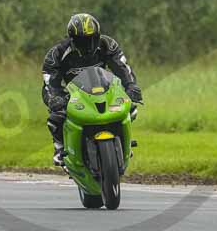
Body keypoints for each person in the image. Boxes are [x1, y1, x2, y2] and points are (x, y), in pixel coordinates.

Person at [41, 13, 142, 166]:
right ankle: (60, 148)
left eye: (91, 39)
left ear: (98, 35)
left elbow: (123, 68)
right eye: (82, 41)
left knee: (131, 108)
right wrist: (54, 97)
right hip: (71, 92)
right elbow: (50, 81)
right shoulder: (57, 53)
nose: (87, 44)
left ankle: (123, 143)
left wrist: (131, 85)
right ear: (72, 39)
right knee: (58, 116)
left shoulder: (108, 44)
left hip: (103, 88)